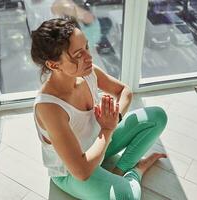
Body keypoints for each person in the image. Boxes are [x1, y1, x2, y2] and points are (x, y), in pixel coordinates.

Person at [31, 17, 168, 200]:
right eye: (78, 54)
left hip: (101, 143)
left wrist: (115, 118)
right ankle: (137, 170)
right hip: (72, 171)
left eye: (86, 47)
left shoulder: (87, 72)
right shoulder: (50, 107)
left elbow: (124, 91)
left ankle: (119, 170)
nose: (89, 57)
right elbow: (81, 172)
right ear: (54, 64)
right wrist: (107, 128)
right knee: (126, 197)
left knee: (157, 116)